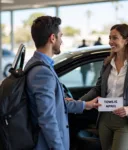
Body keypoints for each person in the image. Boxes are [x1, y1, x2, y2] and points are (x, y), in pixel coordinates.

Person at [25, 16, 100, 150]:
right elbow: (47, 118)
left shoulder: (37, 64)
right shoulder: (42, 72)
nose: (62, 41)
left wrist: (85, 105)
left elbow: (55, 103)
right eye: (60, 36)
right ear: (52, 38)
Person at [81, 24, 128, 150]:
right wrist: (79, 101)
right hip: (105, 119)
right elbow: (97, 88)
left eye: (115, 38)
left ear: (126, 40)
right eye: (109, 38)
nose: (110, 42)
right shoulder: (107, 63)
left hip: (126, 120)